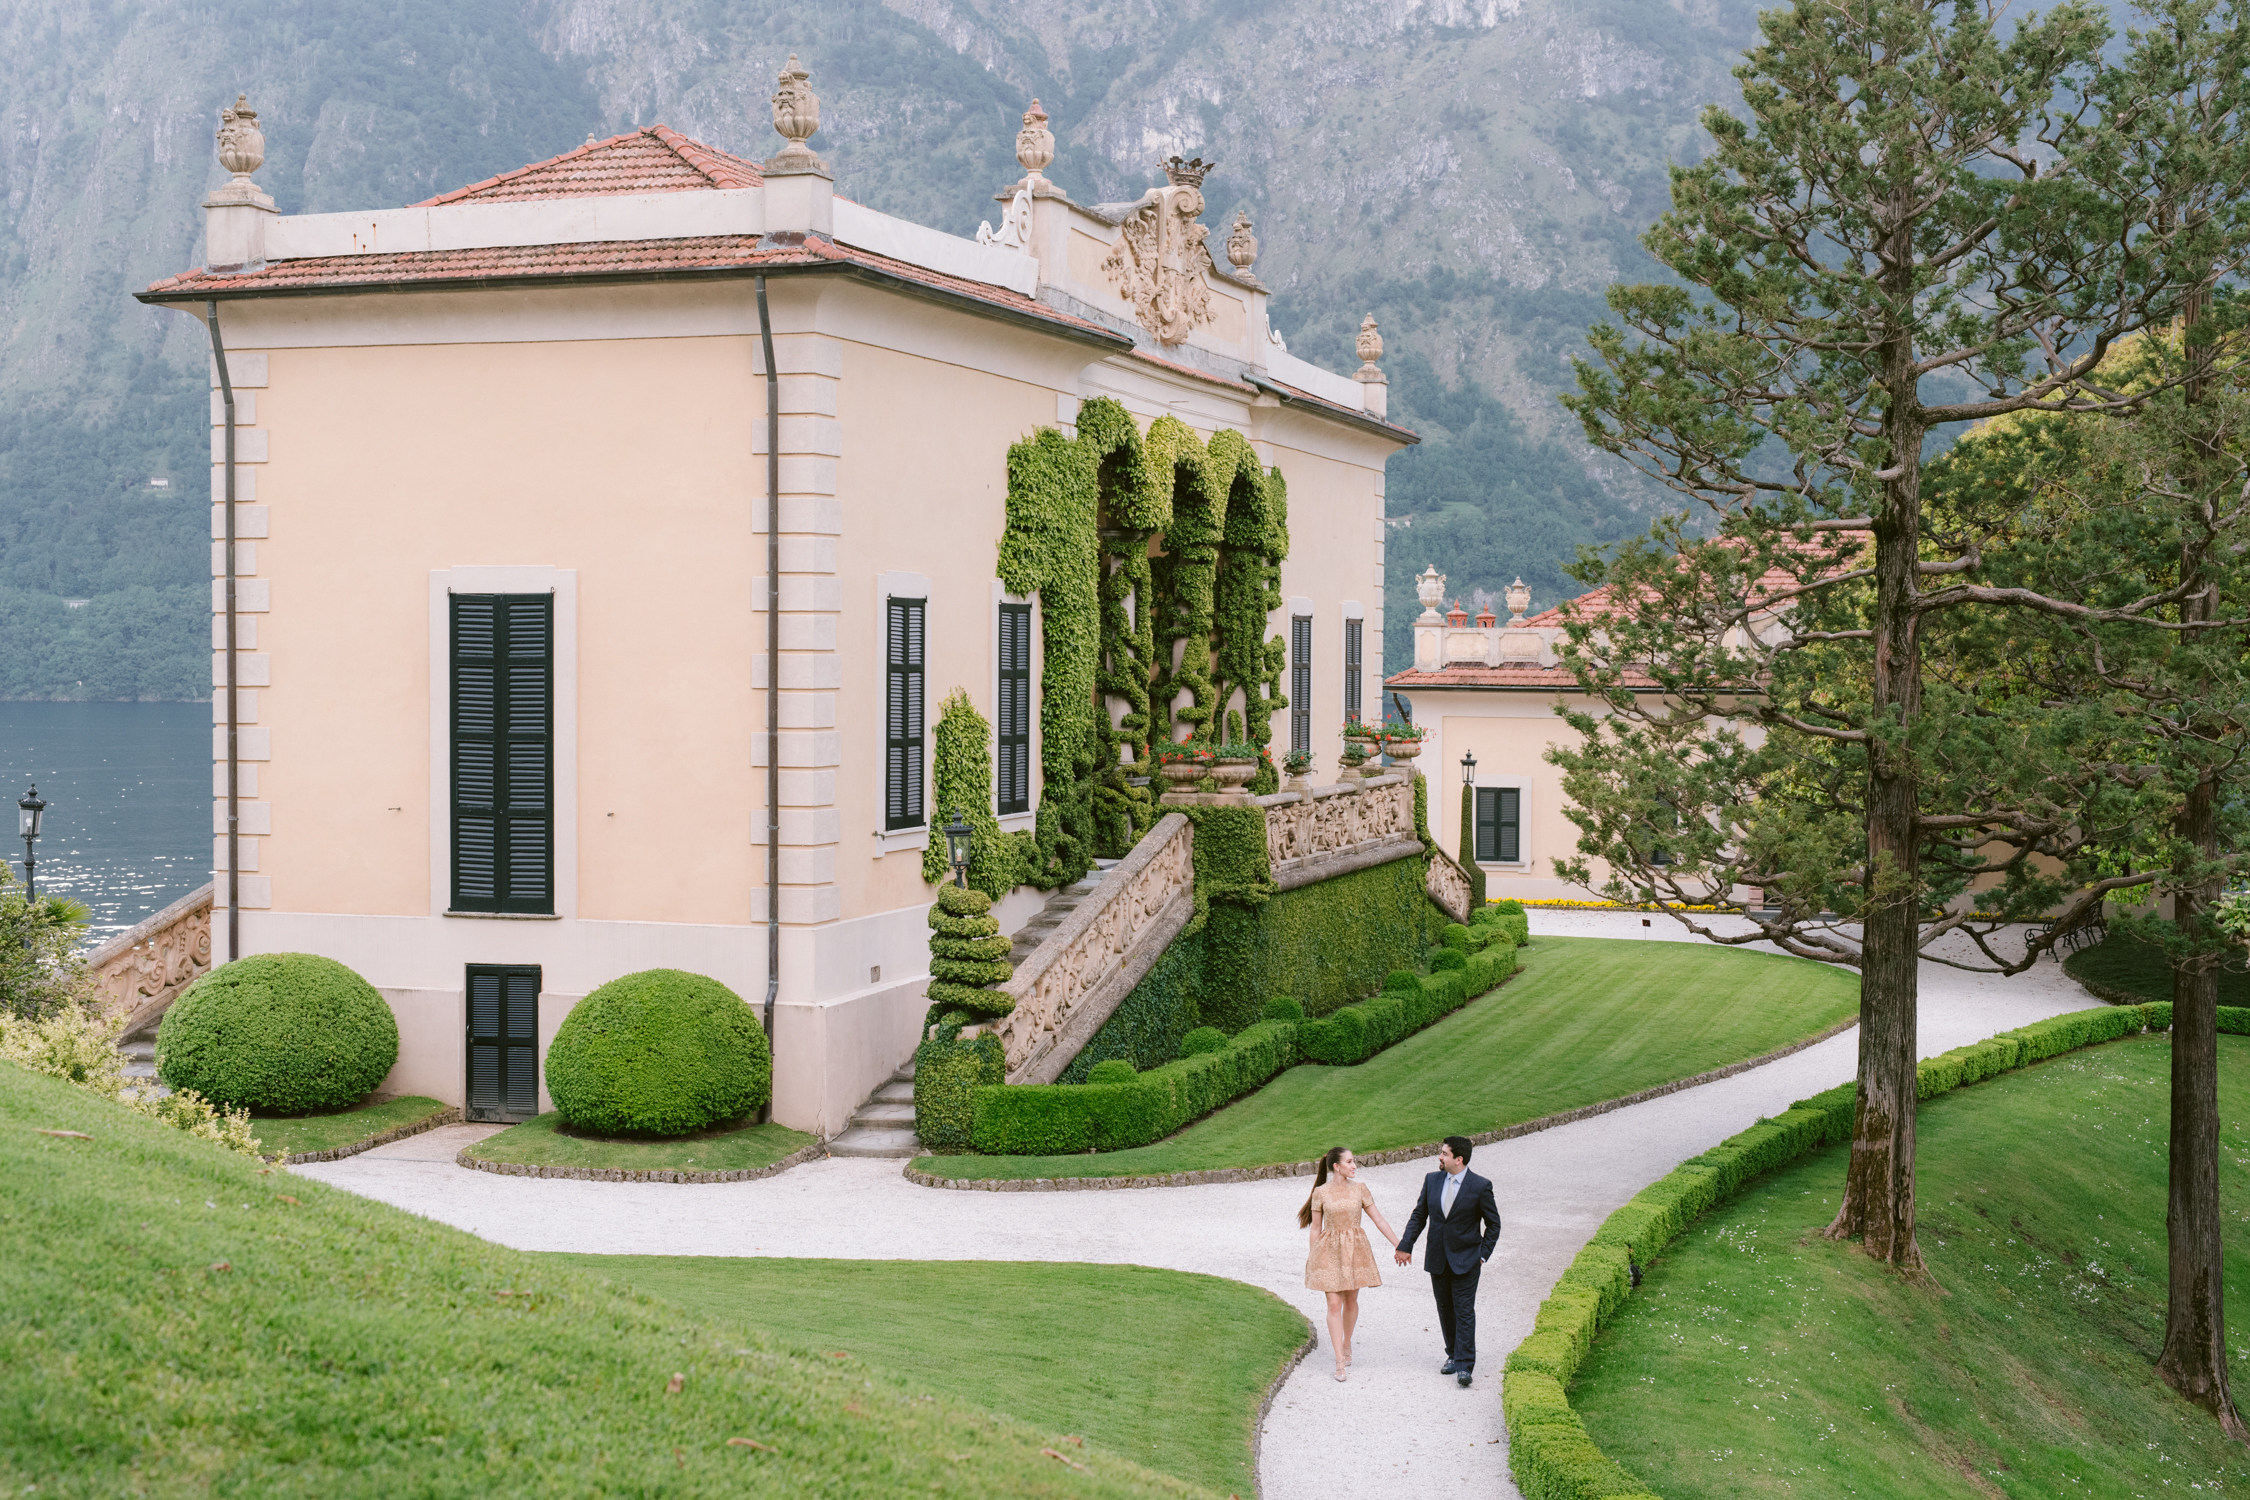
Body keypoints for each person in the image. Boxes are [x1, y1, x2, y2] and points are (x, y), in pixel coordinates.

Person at [1393, 1135, 1502, 1387]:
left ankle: (1465, 1366)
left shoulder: (1480, 1186)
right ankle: (1452, 1355)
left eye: (1444, 1153)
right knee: (1445, 1309)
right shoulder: (1432, 1180)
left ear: (1458, 1159)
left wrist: (1482, 1255)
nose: (1439, 1157)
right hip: (1438, 1258)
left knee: (1464, 1311)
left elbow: (1494, 1224)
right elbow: (1419, 1215)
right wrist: (1405, 1245)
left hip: (1467, 1260)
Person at [1300, 1145, 1402, 1383]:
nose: (1354, 1166)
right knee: (1334, 1303)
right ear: (1337, 1166)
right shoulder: (1321, 1193)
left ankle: (1347, 1343)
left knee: (1351, 1300)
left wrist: (1399, 1244)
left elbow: (1378, 1219)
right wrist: (1313, 1257)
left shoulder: (1361, 1189)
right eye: (1349, 1162)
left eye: (1354, 1162)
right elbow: (1315, 1227)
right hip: (1328, 1250)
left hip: (1355, 1249)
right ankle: (1338, 1360)